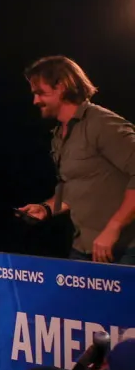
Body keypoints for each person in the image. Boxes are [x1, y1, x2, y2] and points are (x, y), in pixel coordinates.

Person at [17, 56, 135, 264]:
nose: (35, 101)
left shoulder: (102, 124)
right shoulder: (59, 135)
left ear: (61, 87)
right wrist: (46, 208)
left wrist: (113, 227)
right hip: (84, 248)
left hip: (125, 250)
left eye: (39, 93)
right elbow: (72, 187)